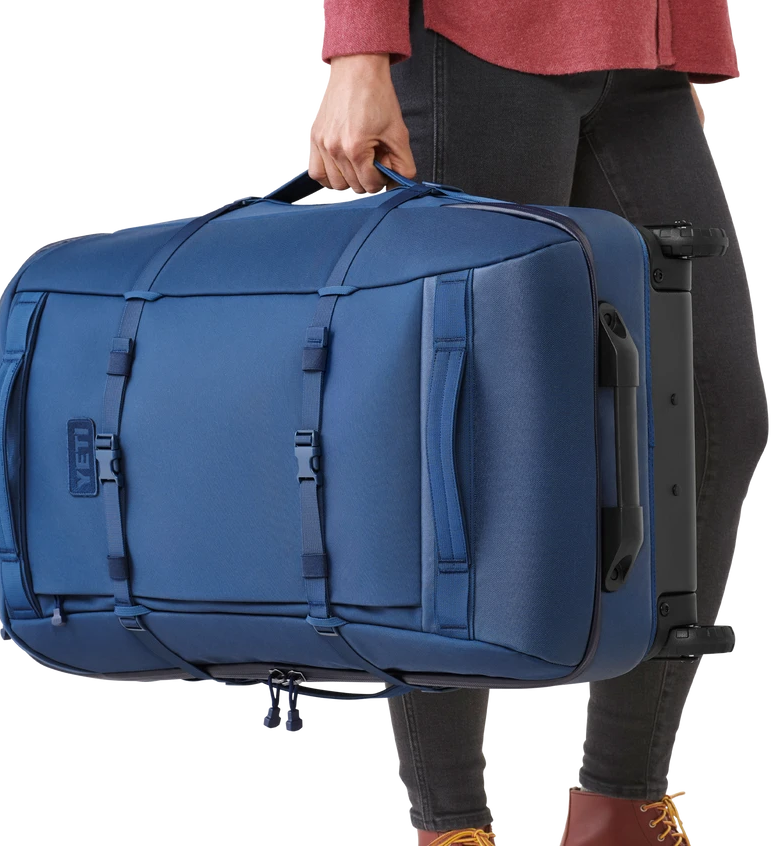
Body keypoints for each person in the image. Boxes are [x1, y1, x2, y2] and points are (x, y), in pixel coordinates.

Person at [309, 1, 767, 844]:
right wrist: (357, 48)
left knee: (711, 415)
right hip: (477, 38)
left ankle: (622, 809)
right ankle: (452, 825)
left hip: (640, 55)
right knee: (461, 435)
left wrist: (670, 31)